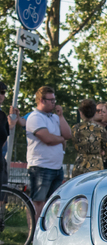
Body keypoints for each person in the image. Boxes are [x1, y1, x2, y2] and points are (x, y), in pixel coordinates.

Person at [25, 86, 72, 220]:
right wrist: (61, 139)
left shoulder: (55, 117)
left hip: (56, 167)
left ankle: (47, 233)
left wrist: (61, 116)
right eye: (50, 100)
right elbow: (48, 139)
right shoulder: (35, 117)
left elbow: (68, 134)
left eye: (54, 100)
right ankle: (33, 234)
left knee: (53, 203)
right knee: (38, 202)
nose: (54, 103)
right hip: (41, 166)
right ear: (41, 100)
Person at [71, 99, 107, 177]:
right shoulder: (100, 129)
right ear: (94, 113)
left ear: (81, 112)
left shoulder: (75, 128)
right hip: (96, 166)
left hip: (80, 165)